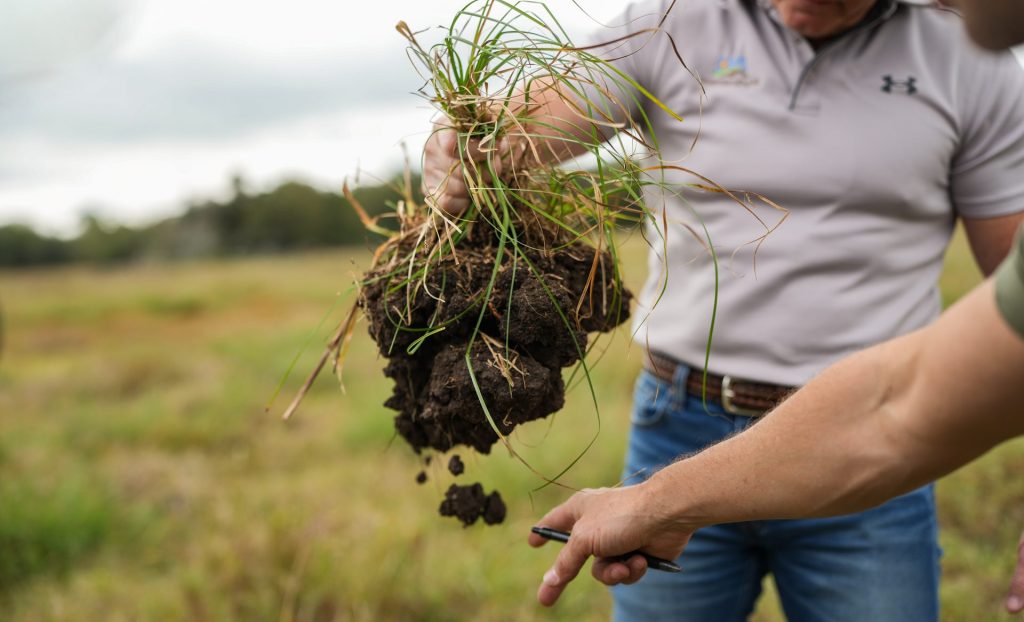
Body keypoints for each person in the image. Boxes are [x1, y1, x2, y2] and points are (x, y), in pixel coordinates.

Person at [423, 0, 1024, 619]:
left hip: (874, 446)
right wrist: (465, 143)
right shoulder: (675, 18)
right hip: (683, 425)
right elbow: (527, 123)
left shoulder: (969, 52)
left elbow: (1017, 295)